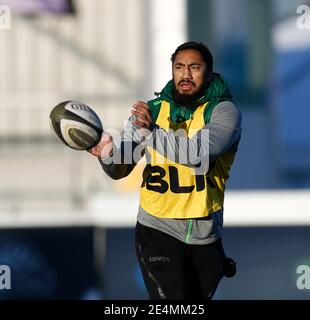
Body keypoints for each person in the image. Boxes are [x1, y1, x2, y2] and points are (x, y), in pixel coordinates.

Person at [89, 41, 242, 300]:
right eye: (179, 67)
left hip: (205, 235)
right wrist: (106, 154)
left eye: (194, 67)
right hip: (157, 228)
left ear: (209, 71)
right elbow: (121, 167)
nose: (185, 74)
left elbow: (198, 154)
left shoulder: (224, 112)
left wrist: (151, 133)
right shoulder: (151, 111)